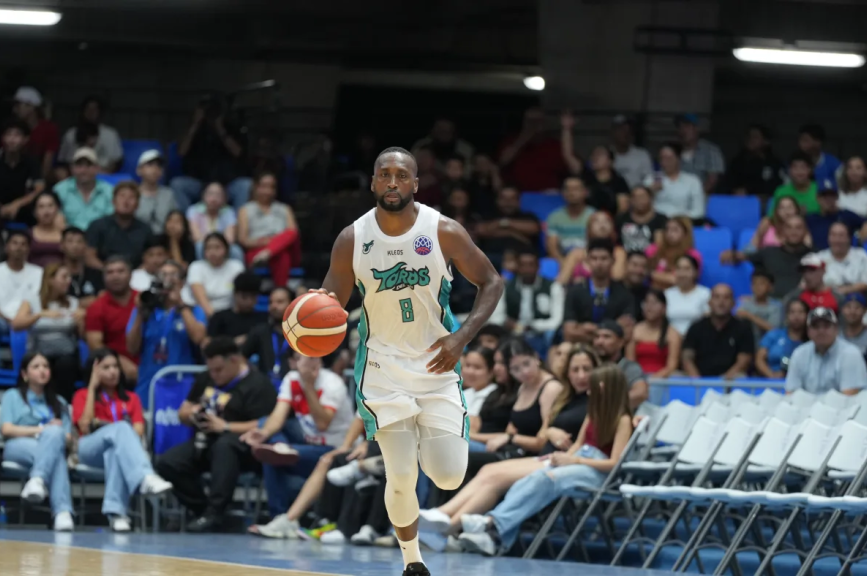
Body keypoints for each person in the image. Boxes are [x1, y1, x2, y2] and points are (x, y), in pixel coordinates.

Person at [311, 146, 503, 576]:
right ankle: (412, 562)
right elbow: (330, 305)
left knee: (448, 476)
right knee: (400, 475)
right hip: (383, 370)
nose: (392, 182)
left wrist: (461, 338)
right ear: (373, 182)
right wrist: (309, 317)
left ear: (416, 183)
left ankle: (420, 436)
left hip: (437, 365)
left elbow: (491, 282)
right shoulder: (352, 239)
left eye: (401, 175)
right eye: (385, 175)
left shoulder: (443, 230)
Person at [418, 344, 599, 535]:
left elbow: (553, 439)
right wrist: (551, 431)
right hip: (541, 455)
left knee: (482, 468)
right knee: (484, 469)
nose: (581, 376)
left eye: (586, 369)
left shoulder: (571, 393)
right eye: (575, 370)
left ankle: (449, 528)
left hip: (553, 458)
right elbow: (537, 430)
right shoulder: (564, 396)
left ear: (536, 359)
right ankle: (442, 516)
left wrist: (532, 436)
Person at [456, 363, 634, 556]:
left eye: (593, 388)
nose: (589, 393)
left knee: (546, 478)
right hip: (579, 460)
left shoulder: (623, 420)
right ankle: (493, 534)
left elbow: (614, 464)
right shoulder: (593, 414)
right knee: (531, 477)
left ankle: (492, 522)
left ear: (604, 388)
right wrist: (564, 457)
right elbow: (578, 444)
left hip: (598, 471)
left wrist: (576, 461)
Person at [155, 338, 278, 532]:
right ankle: (204, 510)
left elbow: (266, 423)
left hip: (242, 447)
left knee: (225, 446)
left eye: (219, 370)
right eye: (211, 369)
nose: (214, 375)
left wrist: (226, 426)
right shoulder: (207, 378)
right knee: (167, 462)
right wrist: (192, 413)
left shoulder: (258, 384)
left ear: (235, 360)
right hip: (205, 441)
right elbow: (182, 412)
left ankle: (215, 512)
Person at [241, 354, 354, 517]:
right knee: (269, 440)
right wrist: (263, 433)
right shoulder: (291, 378)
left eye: (313, 357)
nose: (312, 362)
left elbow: (322, 424)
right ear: (292, 362)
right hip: (306, 442)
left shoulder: (333, 383)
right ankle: (280, 448)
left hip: (334, 450)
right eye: (303, 358)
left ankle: (279, 517)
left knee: (273, 456)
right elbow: (278, 416)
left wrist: (308, 385)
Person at [72, 349, 172, 531]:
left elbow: (138, 431)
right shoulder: (82, 395)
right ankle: (145, 477)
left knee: (115, 452)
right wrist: (92, 388)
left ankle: (116, 514)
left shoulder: (132, 398)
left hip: (119, 451)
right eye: (106, 368)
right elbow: (85, 427)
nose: (113, 372)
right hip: (89, 449)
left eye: (115, 366)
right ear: (94, 371)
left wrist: (103, 424)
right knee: (122, 428)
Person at [0, 353, 74, 531]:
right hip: (18, 444)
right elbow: (6, 429)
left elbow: (68, 438)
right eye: (36, 366)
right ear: (25, 374)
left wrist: (51, 433)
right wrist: (42, 430)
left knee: (56, 449)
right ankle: (62, 511)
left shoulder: (59, 402)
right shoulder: (12, 396)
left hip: (51, 447)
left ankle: (37, 481)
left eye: (46, 366)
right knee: (54, 446)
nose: (42, 370)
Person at [125, 260, 207, 406]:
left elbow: (198, 338)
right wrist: (140, 312)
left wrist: (180, 304)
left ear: (182, 283)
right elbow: (131, 348)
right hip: (149, 382)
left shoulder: (193, 310)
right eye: (163, 275)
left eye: (173, 275)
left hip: (181, 384)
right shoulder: (146, 311)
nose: (167, 279)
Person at [11, 263, 83, 401]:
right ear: (50, 279)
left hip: (65, 355)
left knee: (66, 365)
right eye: (64, 277)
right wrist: (40, 314)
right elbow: (16, 324)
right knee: (38, 366)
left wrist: (82, 321)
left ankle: (62, 405)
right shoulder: (32, 301)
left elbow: (82, 335)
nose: (68, 281)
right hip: (40, 353)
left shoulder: (73, 303)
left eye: (69, 277)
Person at [0, 231, 44, 367]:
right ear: (6, 247)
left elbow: (41, 303)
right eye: (15, 243)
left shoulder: (39, 273)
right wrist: (14, 322)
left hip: (31, 321)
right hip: (3, 321)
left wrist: (23, 321)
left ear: (28, 249)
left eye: (23, 244)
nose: (19, 247)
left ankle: (36, 366)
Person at [562, 239, 637, 343]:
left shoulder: (624, 294)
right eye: (594, 258)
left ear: (613, 260)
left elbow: (627, 332)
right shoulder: (574, 292)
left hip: (614, 349)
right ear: (587, 261)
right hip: (581, 348)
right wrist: (612, 328)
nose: (599, 263)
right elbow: (569, 333)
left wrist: (586, 329)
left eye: (604, 258)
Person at [490, 250, 564, 355]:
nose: (527, 269)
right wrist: (506, 322)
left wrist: (533, 326)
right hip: (512, 333)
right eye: (523, 265)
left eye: (531, 265)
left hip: (542, 333)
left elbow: (556, 320)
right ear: (517, 267)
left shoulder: (553, 287)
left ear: (538, 267)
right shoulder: (507, 287)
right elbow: (496, 317)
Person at [785, 307, 867, 395]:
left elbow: (850, 396)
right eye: (815, 326)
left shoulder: (851, 353)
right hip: (807, 404)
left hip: (843, 404)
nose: (821, 331)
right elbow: (791, 394)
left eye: (826, 325)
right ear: (808, 331)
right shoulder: (799, 353)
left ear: (836, 329)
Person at [0, 119, 45, 224]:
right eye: (8, 135)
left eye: (17, 135)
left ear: (25, 139)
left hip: (22, 208)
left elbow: (39, 189)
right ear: (3, 138)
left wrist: (16, 204)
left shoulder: (32, 161)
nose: (12, 139)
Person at [559, 112, 629, 214]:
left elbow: (623, 209)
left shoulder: (619, 181)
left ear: (610, 161)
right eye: (593, 155)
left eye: (600, 155)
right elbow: (568, 155)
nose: (595, 158)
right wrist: (566, 129)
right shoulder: (585, 176)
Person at [84, 256, 139, 383]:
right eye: (110, 272)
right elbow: (95, 345)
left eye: (120, 271)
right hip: (116, 370)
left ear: (131, 275)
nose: (115, 276)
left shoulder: (144, 300)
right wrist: (119, 363)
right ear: (103, 278)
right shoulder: (96, 307)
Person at [681, 284, 754, 379]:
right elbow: (687, 358)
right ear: (709, 302)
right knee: (675, 376)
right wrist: (698, 381)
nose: (721, 302)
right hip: (699, 379)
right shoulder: (696, 327)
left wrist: (722, 382)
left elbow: (744, 361)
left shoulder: (743, 328)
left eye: (726, 297)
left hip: (730, 380)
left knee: (741, 377)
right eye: (717, 297)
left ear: (733, 303)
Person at [238, 172, 299, 284]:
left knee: (291, 234)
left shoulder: (284, 209)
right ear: (256, 187)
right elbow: (243, 240)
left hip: (280, 250)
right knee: (282, 256)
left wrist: (270, 249)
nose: (268, 191)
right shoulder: (245, 210)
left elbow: (292, 234)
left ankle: (268, 252)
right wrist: (271, 242)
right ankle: (281, 291)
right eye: (264, 186)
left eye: (272, 187)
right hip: (257, 253)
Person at [738, 216, 814, 299]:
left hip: (802, 303)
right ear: (782, 231)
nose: (793, 232)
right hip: (771, 303)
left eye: (798, 228)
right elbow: (742, 256)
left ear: (805, 231)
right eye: (789, 227)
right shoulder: (768, 252)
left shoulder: (815, 256)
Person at [85, 182, 154, 269]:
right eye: (122, 196)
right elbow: (89, 256)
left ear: (137, 204)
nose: (126, 201)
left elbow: (151, 258)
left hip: (136, 274)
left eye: (131, 197)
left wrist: (135, 274)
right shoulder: (97, 225)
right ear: (113, 201)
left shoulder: (145, 229)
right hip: (102, 272)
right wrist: (110, 272)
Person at [496, 107, 564, 192]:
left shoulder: (555, 145)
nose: (534, 124)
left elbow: (569, 169)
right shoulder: (511, 141)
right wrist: (524, 138)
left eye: (538, 121)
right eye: (530, 121)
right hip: (519, 194)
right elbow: (503, 161)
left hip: (547, 194)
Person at [242, 286, 296, 388]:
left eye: (279, 302)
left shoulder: (302, 333)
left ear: (292, 305)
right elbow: (240, 358)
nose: (273, 306)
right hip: (265, 388)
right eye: (271, 302)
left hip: (295, 387)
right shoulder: (260, 331)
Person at [183, 232, 245, 317]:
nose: (212, 252)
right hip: (201, 312)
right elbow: (201, 299)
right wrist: (215, 320)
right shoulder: (196, 267)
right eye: (208, 248)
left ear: (226, 249)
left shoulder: (236, 266)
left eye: (217, 247)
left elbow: (241, 297)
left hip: (230, 313)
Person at [52, 148, 115, 230]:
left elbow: (112, 222)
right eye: (79, 166)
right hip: (69, 236)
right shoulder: (59, 190)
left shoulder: (109, 191)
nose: (83, 170)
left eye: (88, 165)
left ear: (97, 168)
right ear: (72, 168)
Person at [57, 96, 122, 173]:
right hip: (75, 174)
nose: (91, 112)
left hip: (103, 174)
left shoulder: (111, 134)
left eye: (95, 109)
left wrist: (105, 172)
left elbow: (117, 161)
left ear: (100, 112)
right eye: (88, 109)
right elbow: (63, 160)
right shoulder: (71, 134)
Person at [627, 289, 681, 380]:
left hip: (663, 379)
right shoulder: (635, 330)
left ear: (664, 308)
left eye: (654, 303)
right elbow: (630, 362)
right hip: (637, 378)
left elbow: (671, 366)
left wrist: (653, 379)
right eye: (646, 303)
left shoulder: (672, 333)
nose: (649, 307)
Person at [592, 319, 648, 408]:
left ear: (620, 342)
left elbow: (640, 393)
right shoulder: (589, 365)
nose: (600, 342)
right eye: (597, 337)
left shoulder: (629, 367)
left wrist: (609, 405)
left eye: (606, 337)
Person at [721, 124, 784, 200]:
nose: (750, 139)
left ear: (766, 141)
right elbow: (726, 184)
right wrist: (734, 191)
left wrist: (749, 190)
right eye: (749, 136)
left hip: (765, 202)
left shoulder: (774, 163)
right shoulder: (737, 162)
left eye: (755, 137)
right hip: (738, 202)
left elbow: (778, 186)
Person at [643, 143, 704, 220]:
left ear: (678, 159)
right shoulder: (650, 179)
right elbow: (641, 207)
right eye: (662, 158)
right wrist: (651, 191)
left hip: (682, 221)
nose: (664, 162)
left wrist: (679, 219)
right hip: (656, 221)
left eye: (669, 158)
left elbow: (699, 211)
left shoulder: (693, 181)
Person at [544, 177, 596, 265]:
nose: (571, 193)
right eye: (567, 189)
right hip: (561, 261)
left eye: (576, 189)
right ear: (563, 193)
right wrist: (563, 263)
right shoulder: (554, 217)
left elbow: (597, 246)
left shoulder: (594, 216)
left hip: (588, 261)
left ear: (585, 192)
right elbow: (552, 248)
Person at [755, 299, 809, 379]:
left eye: (801, 312)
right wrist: (771, 375)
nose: (796, 316)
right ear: (786, 315)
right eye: (792, 312)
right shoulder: (774, 335)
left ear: (807, 315)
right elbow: (759, 359)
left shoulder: (812, 340)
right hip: (773, 381)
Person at [11, 86, 59, 176]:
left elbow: (48, 160)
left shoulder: (48, 128)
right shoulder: (12, 127)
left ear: (31, 107)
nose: (14, 109)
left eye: (18, 105)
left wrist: (39, 181)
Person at [206, 271, 263, 347]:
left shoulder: (263, 319)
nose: (249, 301)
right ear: (235, 294)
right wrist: (232, 343)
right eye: (244, 297)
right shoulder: (219, 318)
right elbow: (208, 346)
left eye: (253, 297)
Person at [817, 222, 867, 295]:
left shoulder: (861, 255)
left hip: (856, 298)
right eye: (833, 235)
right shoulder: (819, 258)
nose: (837, 240)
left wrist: (845, 290)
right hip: (826, 298)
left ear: (849, 238)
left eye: (841, 235)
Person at [645, 216, 701, 290]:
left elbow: (680, 280)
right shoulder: (653, 249)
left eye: (675, 230)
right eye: (667, 229)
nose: (669, 233)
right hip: (653, 291)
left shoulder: (693, 255)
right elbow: (643, 272)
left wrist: (653, 275)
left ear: (685, 233)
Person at [186, 182, 239, 258]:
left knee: (235, 250)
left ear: (224, 199)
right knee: (199, 246)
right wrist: (212, 247)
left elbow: (230, 239)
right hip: (204, 244)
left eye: (218, 195)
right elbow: (196, 237)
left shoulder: (229, 212)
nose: (214, 199)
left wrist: (217, 247)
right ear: (203, 196)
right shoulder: (193, 210)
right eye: (210, 194)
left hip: (222, 246)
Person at [675, 113, 725, 195]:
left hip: (702, 198)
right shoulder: (672, 151)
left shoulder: (711, 150)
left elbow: (712, 180)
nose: (683, 130)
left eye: (687, 126)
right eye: (680, 127)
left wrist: (695, 196)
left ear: (696, 129)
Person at [665, 255, 711, 336]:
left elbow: (709, 321)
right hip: (670, 339)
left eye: (687, 269)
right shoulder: (667, 294)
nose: (682, 274)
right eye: (679, 269)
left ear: (696, 272)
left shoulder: (705, 294)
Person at [134, 150, 177, 235]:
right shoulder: (132, 194)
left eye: (159, 165)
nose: (155, 169)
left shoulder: (168, 194)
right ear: (139, 170)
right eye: (150, 165)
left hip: (163, 238)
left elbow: (175, 219)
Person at [616, 185, 667, 254]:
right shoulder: (621, 218)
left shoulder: (661, 219)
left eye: (642, 197)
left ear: (650, 198)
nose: (639, 200)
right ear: (631, 200)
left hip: (651, 257)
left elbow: (660, 245)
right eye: (635, 197)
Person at [60, 227, 103, 307]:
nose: (75, 246)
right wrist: (79, 303)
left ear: (85, 246)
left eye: (79, 241)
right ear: (62, 246)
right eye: (70, 241)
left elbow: (103, 299)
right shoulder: (56, 275)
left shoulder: (97, 275)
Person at [736, 269, 783, 342]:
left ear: (770, 287)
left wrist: (749, 316)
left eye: (762, 283)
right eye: (754, 283)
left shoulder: (776, 306)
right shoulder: (744, 302)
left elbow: (774, 330)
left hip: (770, 344)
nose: (757, 287)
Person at [837, 156, 867, 221]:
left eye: (858, 168)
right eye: (850, 168)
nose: (854, 172)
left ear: (866, 172)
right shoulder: (838, 191)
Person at [797, 124, 842, 189]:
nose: (801, 144)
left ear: (818, 142)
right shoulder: (793, 164)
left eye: (805, 140)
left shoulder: (834, 164)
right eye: (800, 140)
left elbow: (844, 188)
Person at [28, 192, 65, 267]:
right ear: (34, 212)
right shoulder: (27, 235)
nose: (46, 211)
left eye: (50, 206)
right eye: (41, 207)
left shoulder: (65, 234)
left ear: (57, 209)